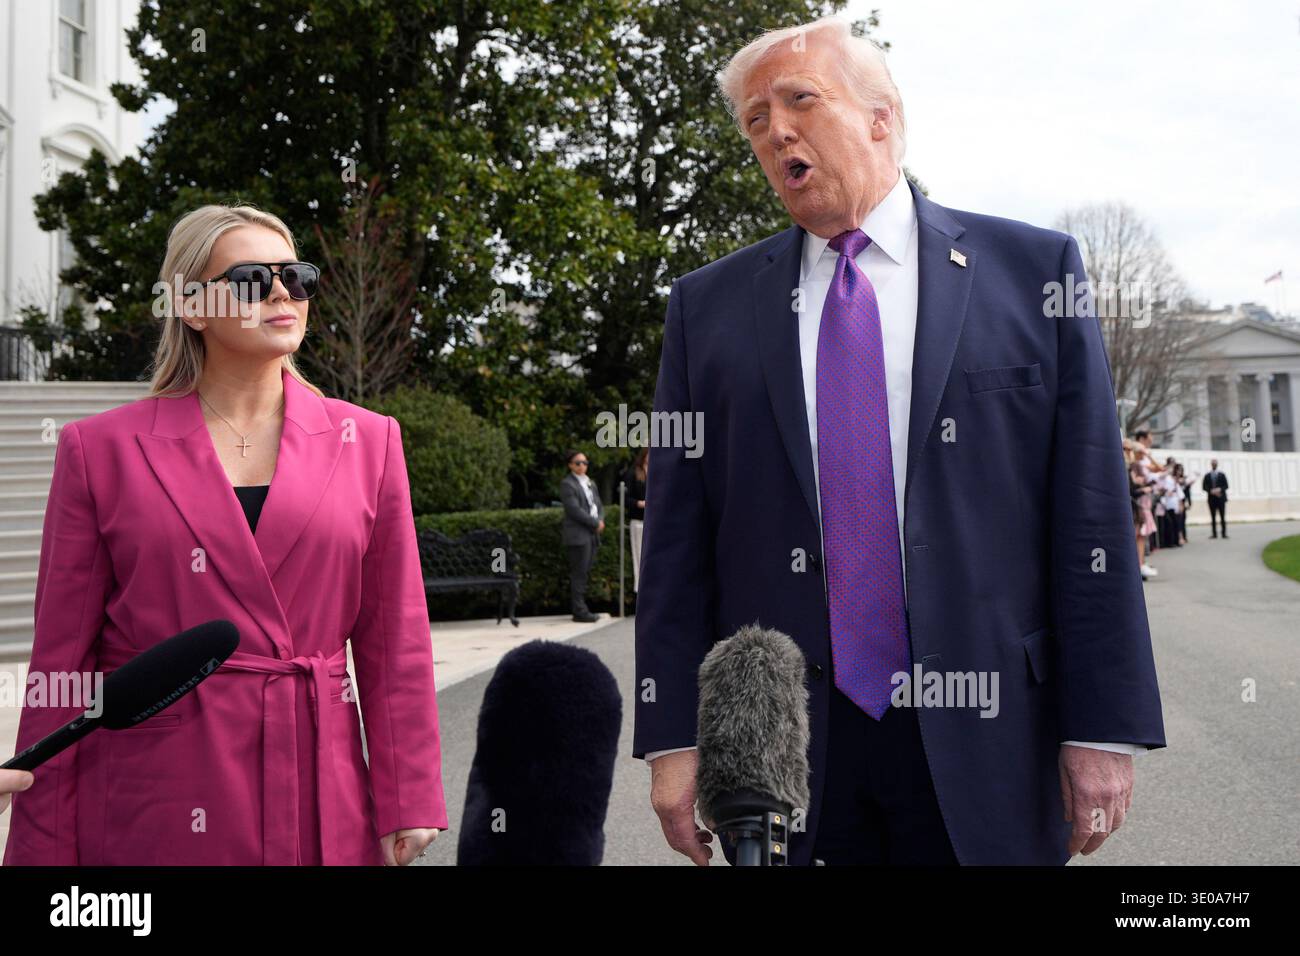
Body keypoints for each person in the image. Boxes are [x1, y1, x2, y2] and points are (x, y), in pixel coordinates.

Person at [633, 17, 1165, 866]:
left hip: (993, 731)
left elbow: (1092, 515)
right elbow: (674, 546)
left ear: (883, 116)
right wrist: (671, 738)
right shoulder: (707, 309)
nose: (776, 132)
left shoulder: (1035, 274)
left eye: (799, 100)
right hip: (783, 754)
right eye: (756, 122)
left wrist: (1104, 726)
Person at [3, 204, 446, 866]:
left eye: (295, 276)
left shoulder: (368, 441)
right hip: (159, 791)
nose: (280, 292)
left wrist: (408, 792)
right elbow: (61, 663)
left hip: (318, 782)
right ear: (191, 305)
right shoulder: (101, 450)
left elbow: (394, 642)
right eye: (249, 278)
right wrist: (40, 844)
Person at [560, 449, 604, 623]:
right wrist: (595, 523)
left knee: (585, 572)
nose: (582, 466)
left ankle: (582, 607)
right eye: (578, 463)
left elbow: (598, 504)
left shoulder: (590, 483)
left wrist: (600, 519)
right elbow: (574, 509)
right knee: (579, 573)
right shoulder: (567, 484)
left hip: (591, 534)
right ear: (571, 465)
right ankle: (579, 610)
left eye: (585, 463)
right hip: (578, 535)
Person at [622, 447, 649, 592]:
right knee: (639, 557)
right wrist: (640, 503)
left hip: (654, 522)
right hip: (639, 520)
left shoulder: (658, 472)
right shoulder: (633, 473)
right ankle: (641, 591)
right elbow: (626, 499)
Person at [1203, 459, 1229, 538]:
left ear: (1217, 464)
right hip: (1212, 499)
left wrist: (1219, 489)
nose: (1214, 465)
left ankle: (1224, 533)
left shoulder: (1222, 475)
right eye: (1213, 464)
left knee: (1222, 517)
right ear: (1211, 464)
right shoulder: (1207, 475)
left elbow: (1226, 486)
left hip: (1221, 498)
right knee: (1213, 517)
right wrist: (1211, 491)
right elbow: (1204, 486)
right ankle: (1214, 534)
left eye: (1215, 464)